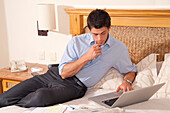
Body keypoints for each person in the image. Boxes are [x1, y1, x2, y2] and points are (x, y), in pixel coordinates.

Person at [0, 9, 136, 108]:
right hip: (53, 75)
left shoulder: (118, 48)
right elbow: (64, 73)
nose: (99, 39)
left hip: (75, 86)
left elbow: (130, 70)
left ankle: (14, 107)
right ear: (89, 29)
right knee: (5, 97)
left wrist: (127, 81)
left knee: (40, 96)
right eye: (95, 34)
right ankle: (10, 103)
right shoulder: (76, 42)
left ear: (109, 28)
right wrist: (87, 57)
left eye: (103, 33)